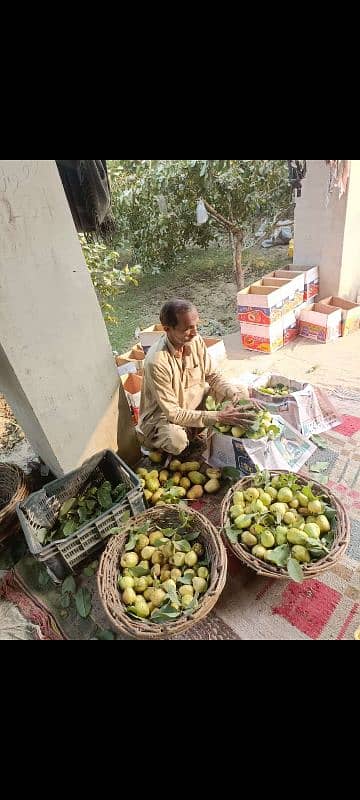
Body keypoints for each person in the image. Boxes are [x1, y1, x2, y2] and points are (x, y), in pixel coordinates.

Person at [137, 298, 258, 455]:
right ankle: (156, 447)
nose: (195, 332)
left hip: (194, 406)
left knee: (240, 391)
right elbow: (173, 413)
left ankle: (197, 432)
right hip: (164, 418)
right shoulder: (157, 362)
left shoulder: (195, 341)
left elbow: (213, 376)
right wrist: (219, 416)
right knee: (176, 440)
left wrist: (234, 395)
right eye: (187, 328)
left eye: (196, 326)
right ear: (167, 329)